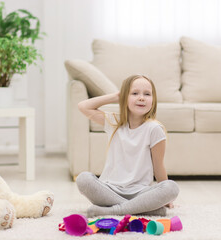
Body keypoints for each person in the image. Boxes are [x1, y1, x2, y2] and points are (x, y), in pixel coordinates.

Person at [76, 75, 179, 217]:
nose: (141, 98)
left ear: (153, 100)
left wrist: (167, 198)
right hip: (110, 189)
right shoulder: (114, 122)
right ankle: (144, 210)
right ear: (125, 98)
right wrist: (116, 96)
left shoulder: (155, 129)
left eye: (147, 94)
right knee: (83, 179)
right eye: (135, 93)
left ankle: (115, 210)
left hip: (140, 192)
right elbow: (83, 106)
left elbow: (158, 166)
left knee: (171, 188)